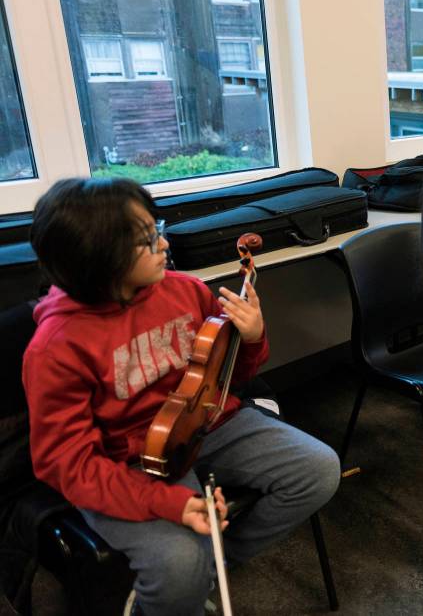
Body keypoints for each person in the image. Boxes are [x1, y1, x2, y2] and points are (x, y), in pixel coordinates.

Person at [23, 178, 340, 616]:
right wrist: (172, 503)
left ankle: (214, 568)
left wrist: (253, 338)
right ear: (99, 261)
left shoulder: (185, 290)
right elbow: (67, 463)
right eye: (147, 240)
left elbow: (230, 380)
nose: (164, 243)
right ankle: (177, 588)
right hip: (129, 460)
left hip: (209, 424)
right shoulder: (56, 346)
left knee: (318, 470)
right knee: (179, 560)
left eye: (158, 228)